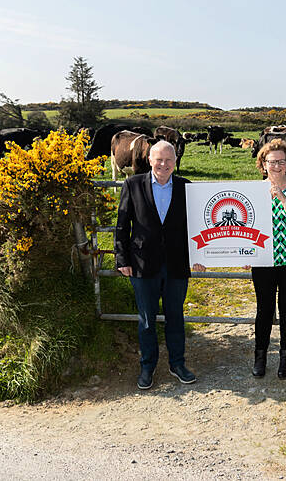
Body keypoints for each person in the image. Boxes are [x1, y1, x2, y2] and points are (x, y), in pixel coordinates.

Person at [114, 140, 204, 390]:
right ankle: (147, 366)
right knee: (146, 319)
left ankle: (177, 364)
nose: (163, 164)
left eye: (169, 160)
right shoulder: (132, 184)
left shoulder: (187, 187)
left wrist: (201, 256)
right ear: (150, 160)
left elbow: (198, 224)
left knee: (176, 317)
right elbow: (122, 225)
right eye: (159, 159)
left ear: (175, 162)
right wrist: (122, 259)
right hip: (142, 264)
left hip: (177, 264)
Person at [249, 139, 286, 379]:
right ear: (263, 164)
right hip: (263, 259)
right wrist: (246, 251)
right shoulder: (254, 191)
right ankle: (260, 355)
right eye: (271, 162)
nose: (276, 166)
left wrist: (282, 198)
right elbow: (248, 225)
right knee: (263, 308)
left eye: (281, 162)